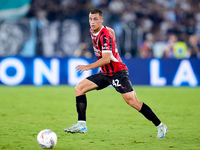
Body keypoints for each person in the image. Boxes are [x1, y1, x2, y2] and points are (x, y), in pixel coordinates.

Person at [64, 9, 168, 138]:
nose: (92, 22)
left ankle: (160, 126)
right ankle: (81, 124)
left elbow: (106, 59)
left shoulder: (105, 36)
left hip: (118, 72)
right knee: (79, 88)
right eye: (90, 19)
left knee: (134, 103)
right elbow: (111, 31)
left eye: (95, 19)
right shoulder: (94, 30)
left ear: (101, 20)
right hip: (105, 72)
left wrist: (88, 67)